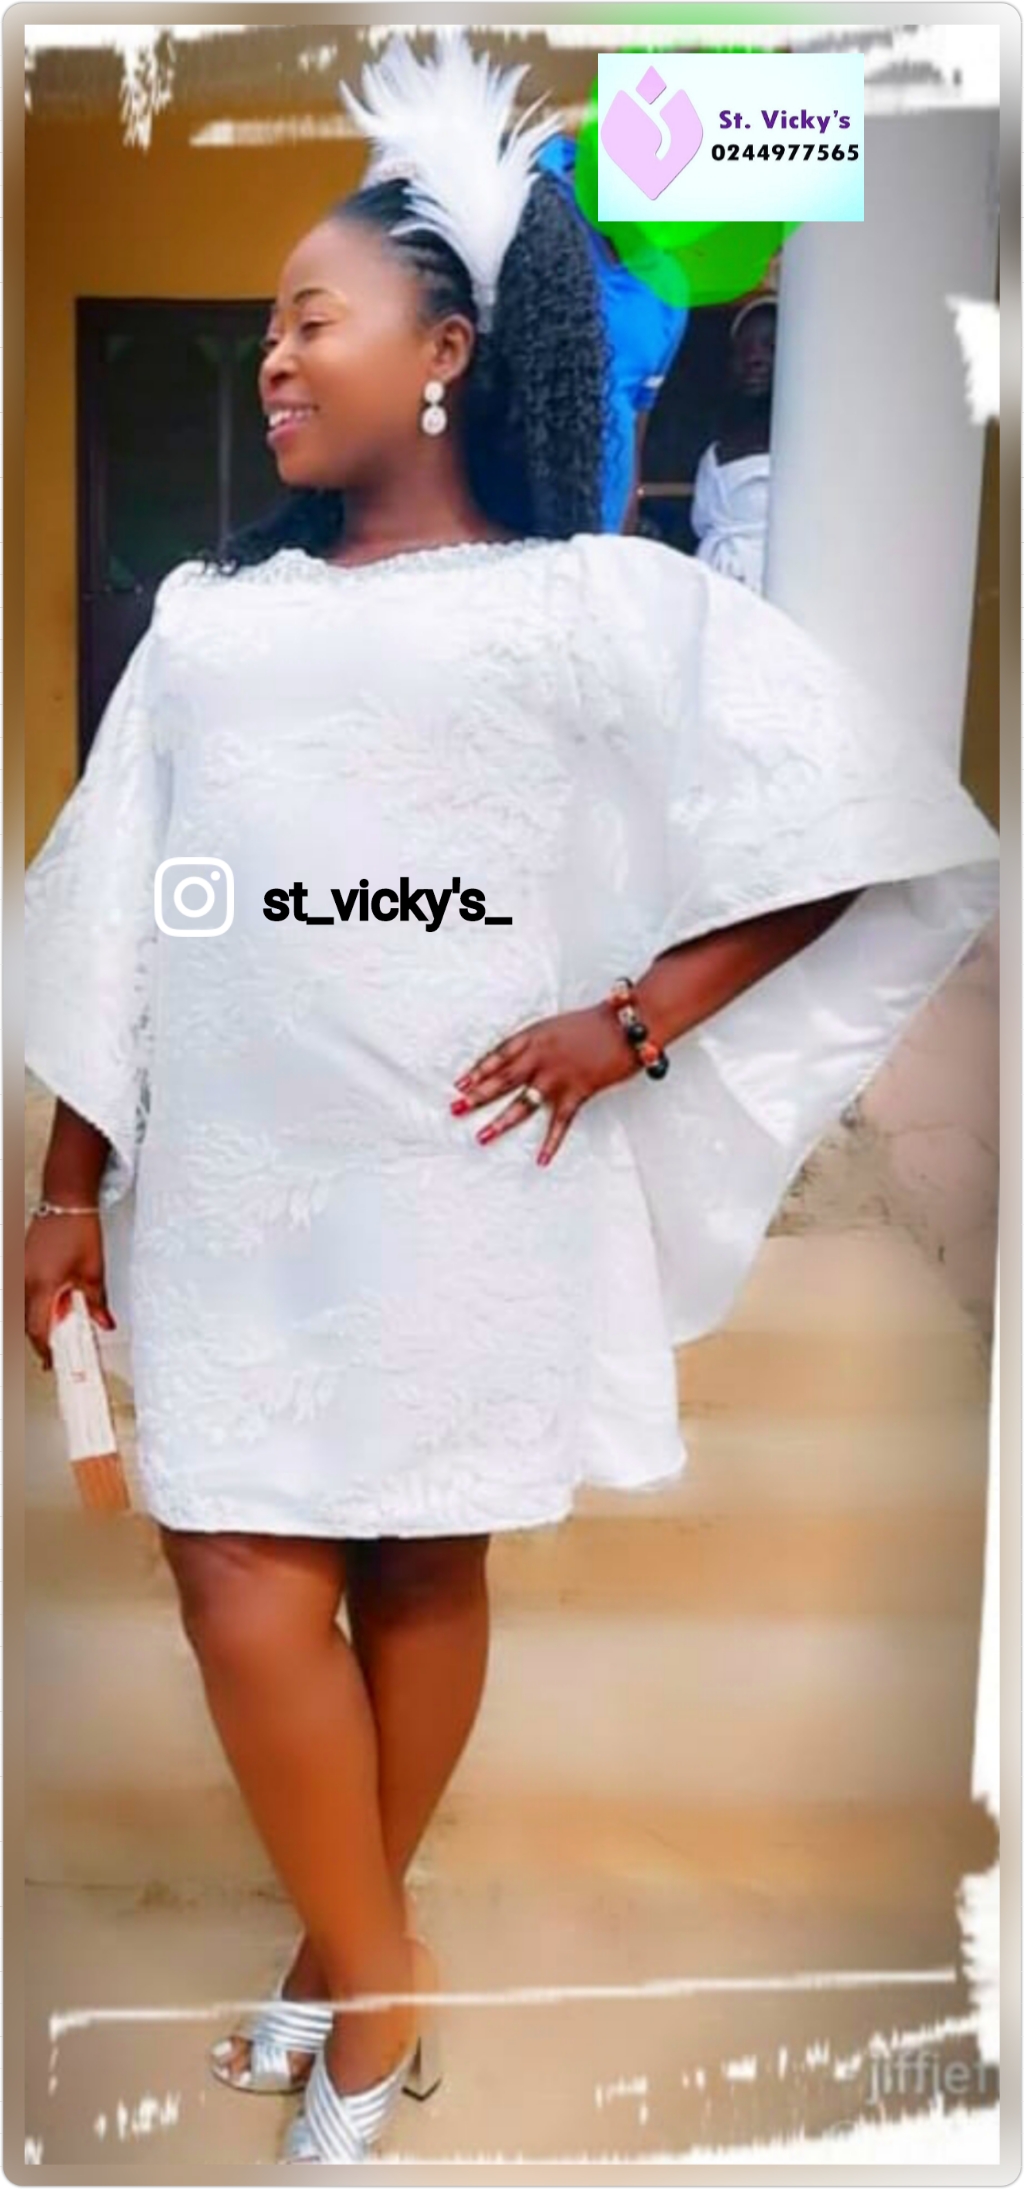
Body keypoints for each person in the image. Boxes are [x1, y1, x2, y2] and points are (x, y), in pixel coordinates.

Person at [23, 28, 999, 2166]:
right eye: (271, 321)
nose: (277, 354)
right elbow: (110, 905)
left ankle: (343, 1972)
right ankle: (384, 1972)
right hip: (239, 1187)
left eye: (315, 316)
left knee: (413, 1564)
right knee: (230, 1568)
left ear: (446, 352)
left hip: (461, 1172)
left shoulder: (590, 604)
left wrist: (629, 1020)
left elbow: (848, 820)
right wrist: (70, 1181)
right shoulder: (206, 623)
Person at [534, 131, 689, 531]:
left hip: (597, 546)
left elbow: (633, 427)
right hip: (511, 537)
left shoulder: (669, 288)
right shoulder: (526, 203)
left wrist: (621, 542)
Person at [690, 296, 776, 592]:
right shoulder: (715, 453)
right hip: (715, 594)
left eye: (771, 347)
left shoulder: (806, 452)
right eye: (744, 349)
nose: (754, 359)